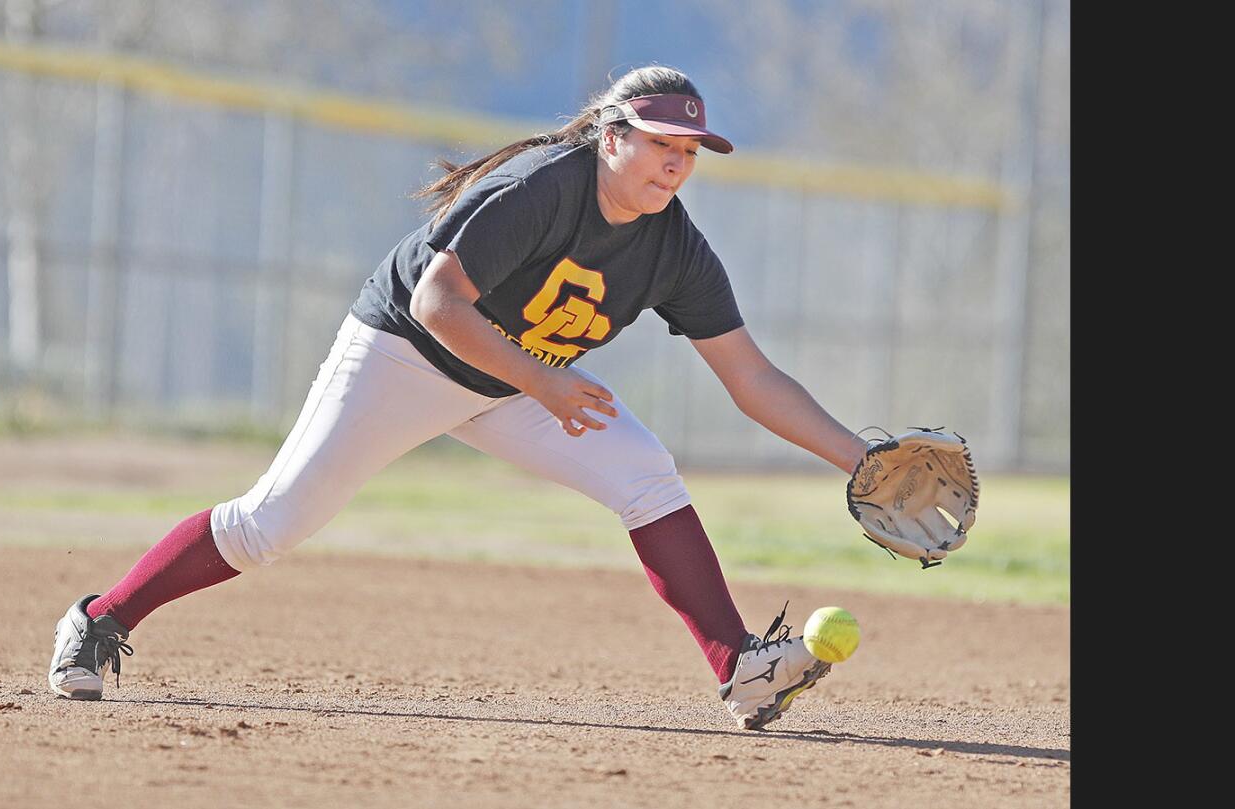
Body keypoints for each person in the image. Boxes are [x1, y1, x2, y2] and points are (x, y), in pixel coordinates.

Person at [48, 65, 873, 731]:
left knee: (647, 476)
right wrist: (546, 382)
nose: (677, 164)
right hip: (406, 355)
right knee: (272, 524)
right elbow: (438, 305)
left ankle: (740, 669)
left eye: (690, 152)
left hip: (515, 385)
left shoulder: (675, 248)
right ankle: (100, 617)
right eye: (662, 143)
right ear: (610, 136)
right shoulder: (546, 187)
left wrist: (863, 462)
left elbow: (752, 377)